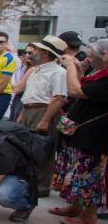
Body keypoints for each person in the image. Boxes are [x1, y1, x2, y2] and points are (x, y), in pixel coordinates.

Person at [50, 40, 108, 224]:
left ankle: (89, 217)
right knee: (78, 172)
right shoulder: (99, 72)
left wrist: (70, 68)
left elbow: (77, 90)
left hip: (95, 137)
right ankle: (75, 207)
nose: (88, 59)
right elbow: (84, 86)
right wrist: (78, 70)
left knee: (89, 174)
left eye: (91, 56)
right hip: (82, 131)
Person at [18, 36, 68, 197]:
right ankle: (27, 179)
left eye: (38, 50)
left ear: (45, 53)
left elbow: (58, 98)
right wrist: (21, 114)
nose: (35, 52)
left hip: (43, 111)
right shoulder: (37, 69)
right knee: (26, 147)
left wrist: (45, 120)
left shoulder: (58, 72)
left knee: (43, 149)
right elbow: (29, 93)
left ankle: (41, 185)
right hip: (28, 110)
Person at [8, 47, 35, 122]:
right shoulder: (24, 67)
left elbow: (17, 89)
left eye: (30, 53)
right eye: (25, 53)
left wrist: (6, 81)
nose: (26, 55)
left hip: (26, 103)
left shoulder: (33, 69)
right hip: (19, 100)